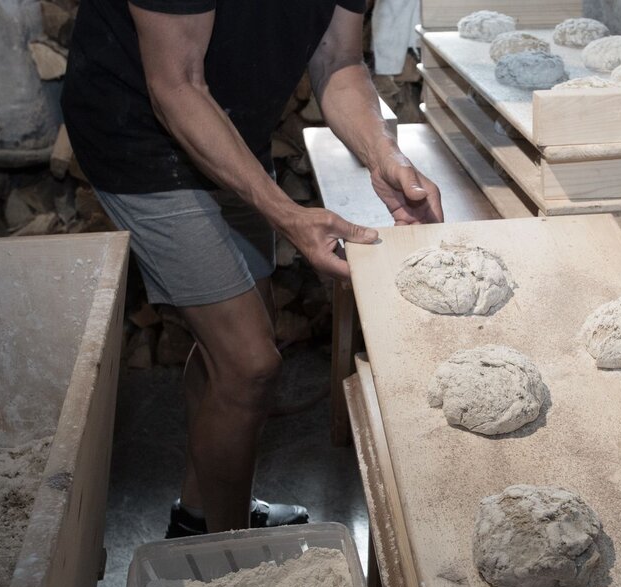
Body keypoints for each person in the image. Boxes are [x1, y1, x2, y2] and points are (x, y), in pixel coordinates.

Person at [62, 0, 443, 537]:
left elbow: (337, 59)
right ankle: (229, 556)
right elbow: (176, 85)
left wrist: (385, 156)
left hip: (230, 124)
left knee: (238, 345)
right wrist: (286, 213)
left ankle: (198, 517)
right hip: (137, 133)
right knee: (249, 364)